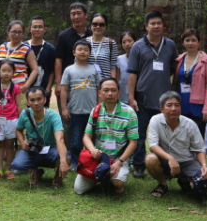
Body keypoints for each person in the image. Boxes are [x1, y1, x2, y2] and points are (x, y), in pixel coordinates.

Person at [127, 10, 177, 178]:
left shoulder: (170, 45)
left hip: (164, 99)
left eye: (159, 23)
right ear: (146, 26)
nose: (156, 26)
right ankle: (139, 165)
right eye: (152, 23)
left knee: (165, 134)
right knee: (140, 134)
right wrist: (131, 97)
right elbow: (132, 73)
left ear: (163, 25)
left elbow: (172, 69)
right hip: (143, 98)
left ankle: (164, 163)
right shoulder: (137, 46)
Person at [74, 78, 138, 195]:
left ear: (119, 92)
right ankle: (101, 176)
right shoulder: (96, 110)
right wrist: (92, 150)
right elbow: (86, 137)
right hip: (98, 158)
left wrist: (120, 161)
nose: (110, 93)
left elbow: (133, 142)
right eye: (106, 90)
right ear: (100, 93)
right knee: (79, 189)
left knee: (118, 182)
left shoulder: (129, 112)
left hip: (118, 157)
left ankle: (110, 178)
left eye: (113, 90)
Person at [145, 91, 207, 200]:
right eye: (169, 105)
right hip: (166, 161)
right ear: (161, 108)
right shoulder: (155, 120)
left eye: (177, 105)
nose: (173, 109)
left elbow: (200, 149)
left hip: (187, 161)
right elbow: (153, 145)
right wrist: (170, 158)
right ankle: (163, 184)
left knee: (205, 182)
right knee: (150, 159)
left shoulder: (190, 124)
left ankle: (184, 180)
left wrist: (204, 166)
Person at [11, 86, 70, 187]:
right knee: (16, 168)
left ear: (45, 99)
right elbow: (18, 130)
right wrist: (22, 142)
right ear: (28, 102)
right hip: (33, 150)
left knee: (66, 157)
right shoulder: (25, 114)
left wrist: (63, 161)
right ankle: (36, 172)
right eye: (32, 100)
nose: (36, 103)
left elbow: (60, 139)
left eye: (39, 99)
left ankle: (58, 176)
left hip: (51, 150)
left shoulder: (53, 116)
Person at [59, 39, 100, 169]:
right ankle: (76, 162)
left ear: (90, 53)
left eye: (86, 50)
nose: (83, 52)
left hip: (92, 112)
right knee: (76, 139)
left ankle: (91, 160)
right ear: (74, 52)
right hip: (76, 111)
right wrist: (64, 108)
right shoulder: (69, 70)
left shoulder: (94, 70)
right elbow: (64, 90)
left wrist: (100, 107)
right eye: (80, 49)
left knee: (93, 138)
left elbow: (99, 90)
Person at [173, 29, 207, 137]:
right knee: (182, 138)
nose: (190, 43)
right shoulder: (179, 60)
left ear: (198, 42)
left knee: (197, 138)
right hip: (182, 103)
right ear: (183, 43)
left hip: (198, 107)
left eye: (193, 40)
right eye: (187, 40)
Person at [55, 2, 92, 101]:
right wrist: (58, 83)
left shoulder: (92, 35)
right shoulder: (63, 36)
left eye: (79, 13)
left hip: (88, 81)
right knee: (66, 111)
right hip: (68, 81)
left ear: (85, 15)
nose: (76, 17)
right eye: (73, 14)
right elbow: (58, 60)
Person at [0, 20, 39, 98]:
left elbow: (35, 70)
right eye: (14, 32)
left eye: (19, 32)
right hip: (3, 88)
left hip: (19, 88)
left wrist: (25, 86)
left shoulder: (26, 49)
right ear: (8, 32)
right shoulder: (2, 47)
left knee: (20, 110)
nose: (16, 35)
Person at [28, 16, 56, 107]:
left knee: (43, 117)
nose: (37, 29)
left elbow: (52, 71)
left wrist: (48, 89)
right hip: (26, 90)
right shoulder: (24, 47)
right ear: (29, 29)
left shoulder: (50, 48)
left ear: (45, 29)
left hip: (43, 90)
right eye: (34, 27)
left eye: (40, 27)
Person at [86, 13, 119, 80]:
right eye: (95, 24)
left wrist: (113, 83)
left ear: (105, 27)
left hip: (105, 85)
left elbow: (113, 66)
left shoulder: (111, 43)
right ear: (91, 25)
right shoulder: (84, 42)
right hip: (87, 84)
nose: (98, 27)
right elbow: (77, 64)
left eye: (101, 25)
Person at [116, 31, 136, 104]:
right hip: (123, 95)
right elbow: (117, 78)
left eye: (129, 41)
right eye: (124, 42)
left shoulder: (141, 59)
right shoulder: (119, 59)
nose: (127, 44)